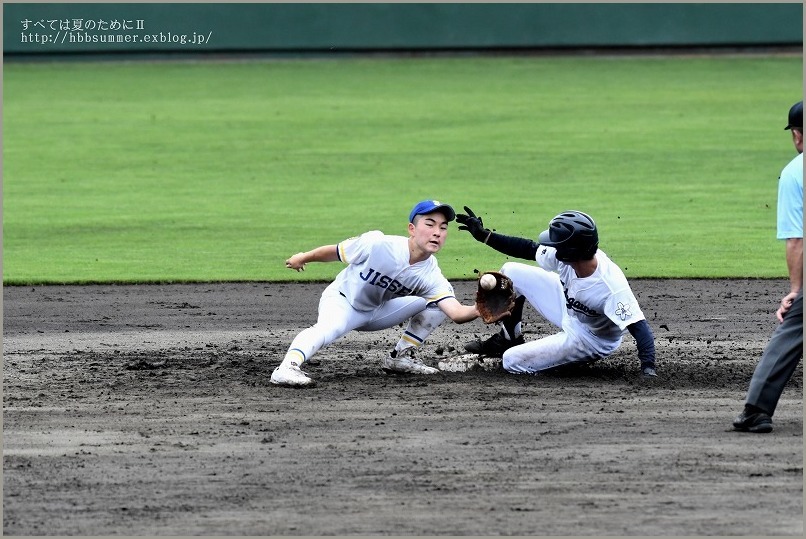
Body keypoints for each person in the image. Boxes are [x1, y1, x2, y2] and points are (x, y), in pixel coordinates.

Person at [271, 200, 480, 387]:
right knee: (328, 329)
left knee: (437, 301)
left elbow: (456, 313)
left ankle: (399, 357)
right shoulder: (378, 244)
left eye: (443, 228)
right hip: (342, 301)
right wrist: (303, 258)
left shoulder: (432, 275)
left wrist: (480, 309)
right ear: (412, 229)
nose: (437, 232)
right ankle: (287, 368)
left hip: (378, 312)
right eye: (430, 224)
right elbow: (335, 252)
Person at [455, 207, 657, 377]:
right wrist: (485, 236)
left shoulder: (610, 287)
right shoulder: (569, 256)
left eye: (556, 244)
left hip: (591, 339)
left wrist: (648, 370)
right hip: (569, 309)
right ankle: (509, 339)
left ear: (571, 251)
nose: (551, 247)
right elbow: (528, 248)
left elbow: (640, 328)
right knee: (511, 272)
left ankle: (561, 363)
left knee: (511, 361)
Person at [732, 100, 803, 433]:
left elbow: (796, 240)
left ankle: (756, 409)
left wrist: (795, 291)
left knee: (792, 329)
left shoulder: (795, 173)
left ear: (799, 135)